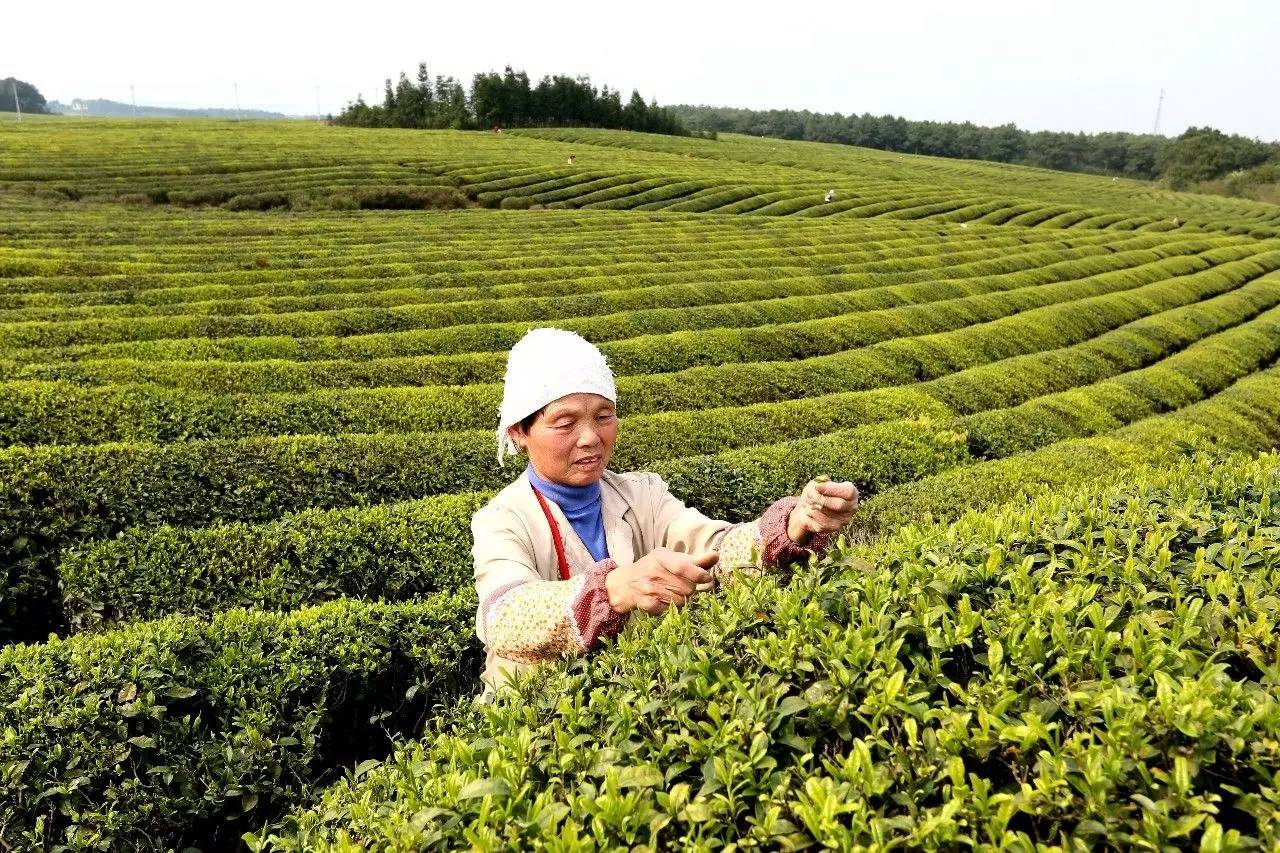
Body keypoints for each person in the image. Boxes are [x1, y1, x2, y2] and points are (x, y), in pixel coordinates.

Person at [472, 328, 860, 693]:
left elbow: (715, 547)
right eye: (565, 423)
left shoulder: (643, 496)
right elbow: (503, 616)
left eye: (603, 417)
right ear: (519, 433)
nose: (591, 438)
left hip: (632, 698)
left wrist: (793, 526)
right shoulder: (504, 519)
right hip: (533, 724)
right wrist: (613, 590)